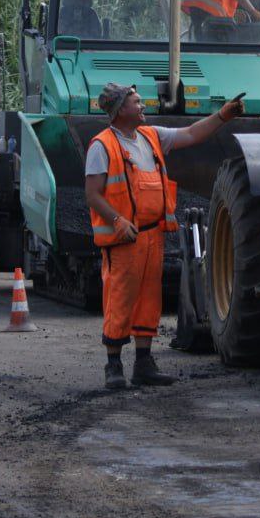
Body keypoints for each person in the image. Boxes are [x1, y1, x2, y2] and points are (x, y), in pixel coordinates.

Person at [84, 81, 244, 390]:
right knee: (120, 298)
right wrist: (117, 221)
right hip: (124, 239)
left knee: (148, 300)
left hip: (152, 236)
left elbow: (192, 134)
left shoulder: (150, 136)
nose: (141, 105)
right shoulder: (102, 146)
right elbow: (92, 194)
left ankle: (144, 363)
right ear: (119, 111)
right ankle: (113, 365)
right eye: (134, 101)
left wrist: (223, 115)